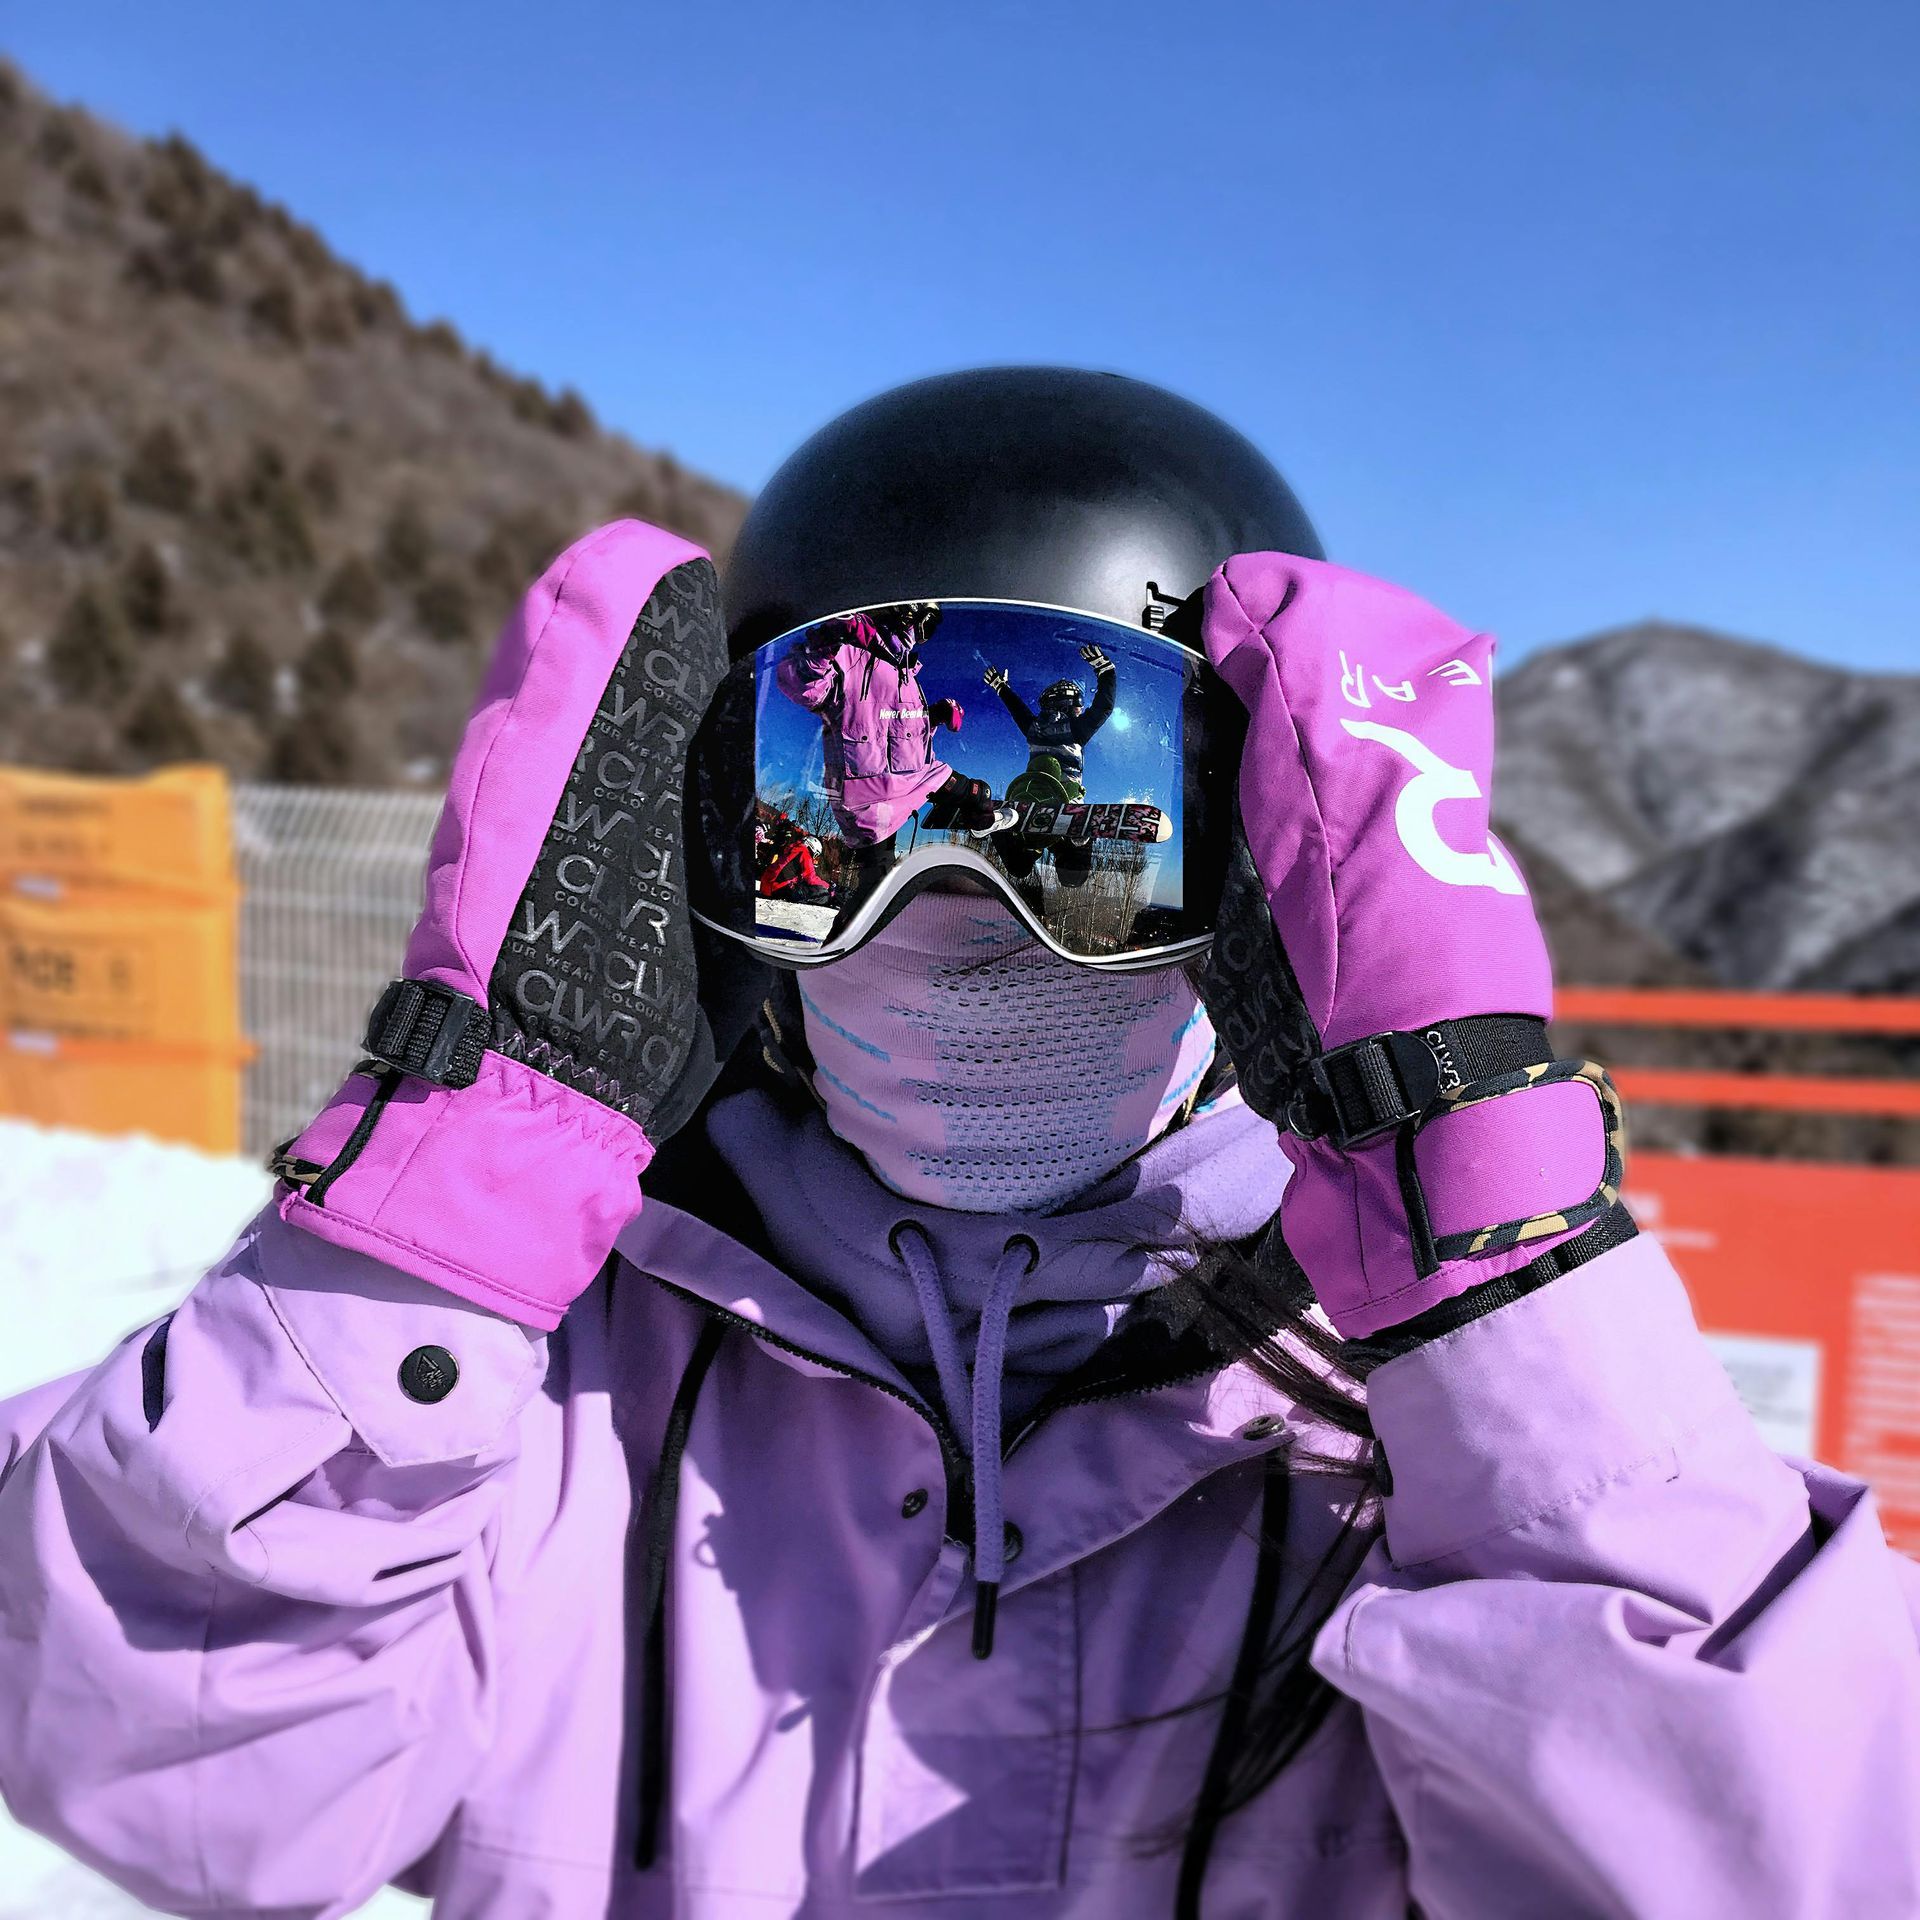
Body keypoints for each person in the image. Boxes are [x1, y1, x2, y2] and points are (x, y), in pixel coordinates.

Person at [1, 367, 1917, 1920]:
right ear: (700, 842)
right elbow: (174, 1786)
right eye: (840, 814)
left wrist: (1482, 1246)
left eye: (1091, 817)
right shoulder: (531, 1394)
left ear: (1263, 864)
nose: (960, 905)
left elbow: (1789, 1869)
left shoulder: (1417, 1449)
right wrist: (440, 1205)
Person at [776, 600, 1009, 933]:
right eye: (922, 622)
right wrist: (829, 638)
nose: (921, 633)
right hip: (869, 792)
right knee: (878, 890)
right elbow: (801, 684)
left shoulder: (910, 677)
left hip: (919, 776)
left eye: (929, 627)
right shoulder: (850, 654)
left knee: (980, 793)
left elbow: (902, 736)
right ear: (901, 613)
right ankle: (841, 947)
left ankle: (981, 820)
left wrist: (933, 719)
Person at [984, 640, 1120, 887]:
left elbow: (1018, 710)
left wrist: (1000, 688)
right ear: (1066, 704)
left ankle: (1012, 831)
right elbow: (1104, 707)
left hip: (1031, 798)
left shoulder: (1034, 729)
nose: (1081, 708)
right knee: (1074, 878)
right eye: (1078, 703)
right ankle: (1078, 839)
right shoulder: (1076, 728)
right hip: (1064, 803)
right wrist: (1106, 671)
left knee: (1019, 868)